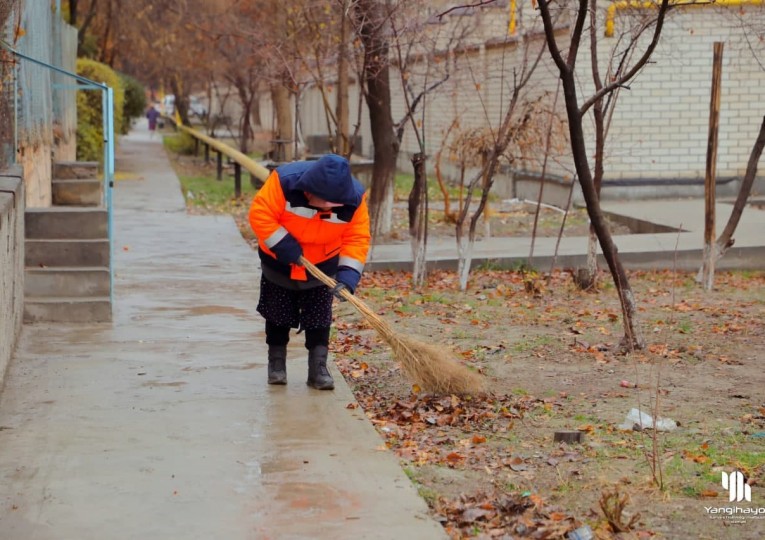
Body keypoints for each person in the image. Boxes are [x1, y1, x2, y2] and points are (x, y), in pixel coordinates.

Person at [248, 154, 371, 390]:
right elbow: (260, 214)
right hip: (280, 260)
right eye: (321, 201)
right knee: (277, 314)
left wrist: (347, 274)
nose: (326, 206)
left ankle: (318, 370)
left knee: (319, 318)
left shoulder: (354, 199)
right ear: (309, 189)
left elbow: (356, 237)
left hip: (321, 267)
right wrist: (285, 246)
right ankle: (276, 365)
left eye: (332, 203)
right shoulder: (285, 182)